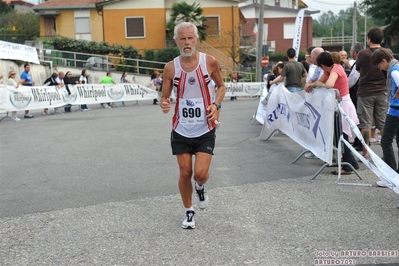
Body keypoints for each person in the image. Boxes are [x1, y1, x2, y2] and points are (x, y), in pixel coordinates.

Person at [160, 22, 226, 229]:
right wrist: (164, 103)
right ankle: (189, 211)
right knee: (184, 172)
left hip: (205, 127)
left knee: (200, 174)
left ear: (196, 40)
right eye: (183, 38)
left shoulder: (210, 62)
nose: (187, 42)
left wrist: (216, 105)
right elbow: (164, 96)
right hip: (181, 128)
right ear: (176, 41)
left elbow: (222, 86)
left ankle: (200, 187)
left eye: (190, 38)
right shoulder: (170, 68)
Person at [305, 52, 360, 175]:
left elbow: (329, 84)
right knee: (339, 136)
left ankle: (348, 166)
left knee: (342, 136)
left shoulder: (336, 69)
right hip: (336, 106)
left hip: (343, 106)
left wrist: (318, 85)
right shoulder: (329, 71)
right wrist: (313, 85)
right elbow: (320, 82)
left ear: (323, 65)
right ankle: (351, 162)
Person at [355, 27, 388, 160]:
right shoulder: (387, 52)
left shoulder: (363, 54)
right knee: (383, 123)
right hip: (382, 91)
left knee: (365, 124)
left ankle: (366, 153)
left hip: (365, 92)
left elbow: (358, 70)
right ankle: (387, 151)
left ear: (369, 39)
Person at [371, 48, 399, 175]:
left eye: (379, 65)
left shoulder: (393, 70)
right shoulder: (397, 66)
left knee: (385, 142)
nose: (379, 68)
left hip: (395, 111)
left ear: (383, 60)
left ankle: (390, 173)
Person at [347, 42, 364, 151]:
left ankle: (360, 142)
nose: (351, 54)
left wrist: (345, 87)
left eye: (351, 52)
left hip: (356, 93)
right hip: (358, 93)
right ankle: (359, 141)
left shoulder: (358, 63)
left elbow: (353, 79)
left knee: (358, 119)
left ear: (355, 53)